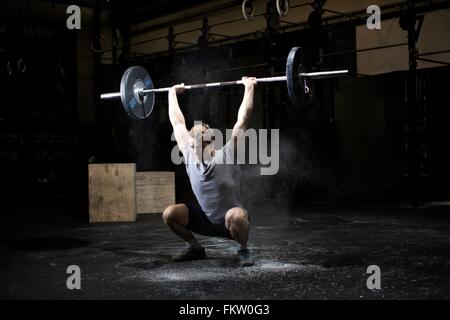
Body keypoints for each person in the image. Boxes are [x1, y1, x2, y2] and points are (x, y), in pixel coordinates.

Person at [162, 77, 257, 267]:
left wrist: (249, 87)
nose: (194, 139)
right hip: (205, 218)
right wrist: (171, 93)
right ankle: (195, 248)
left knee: (237, 216)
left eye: (200, 137)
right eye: (192, 136)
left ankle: (243, 249)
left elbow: (243, 119)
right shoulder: (189, 153)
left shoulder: (227, 154)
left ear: (210, 142)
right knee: (169, 214)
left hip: (230, 221)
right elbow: (177, 123)